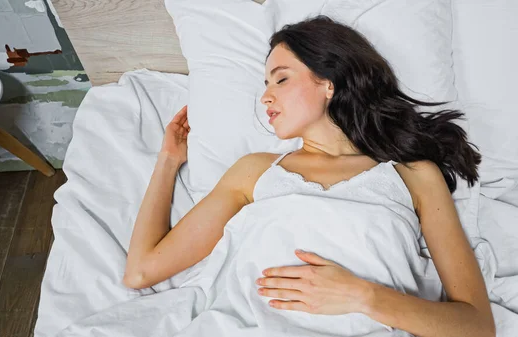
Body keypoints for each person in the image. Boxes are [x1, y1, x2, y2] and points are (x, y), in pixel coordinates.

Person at [123, 15, 495, 337]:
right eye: (265, 84)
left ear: (328, 82)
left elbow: (477, 326)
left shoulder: (414, 176)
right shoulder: (254, 171)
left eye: (280, 80)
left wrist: (363, 296)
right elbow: (141, 272)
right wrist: (169, 161)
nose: (265, 97)